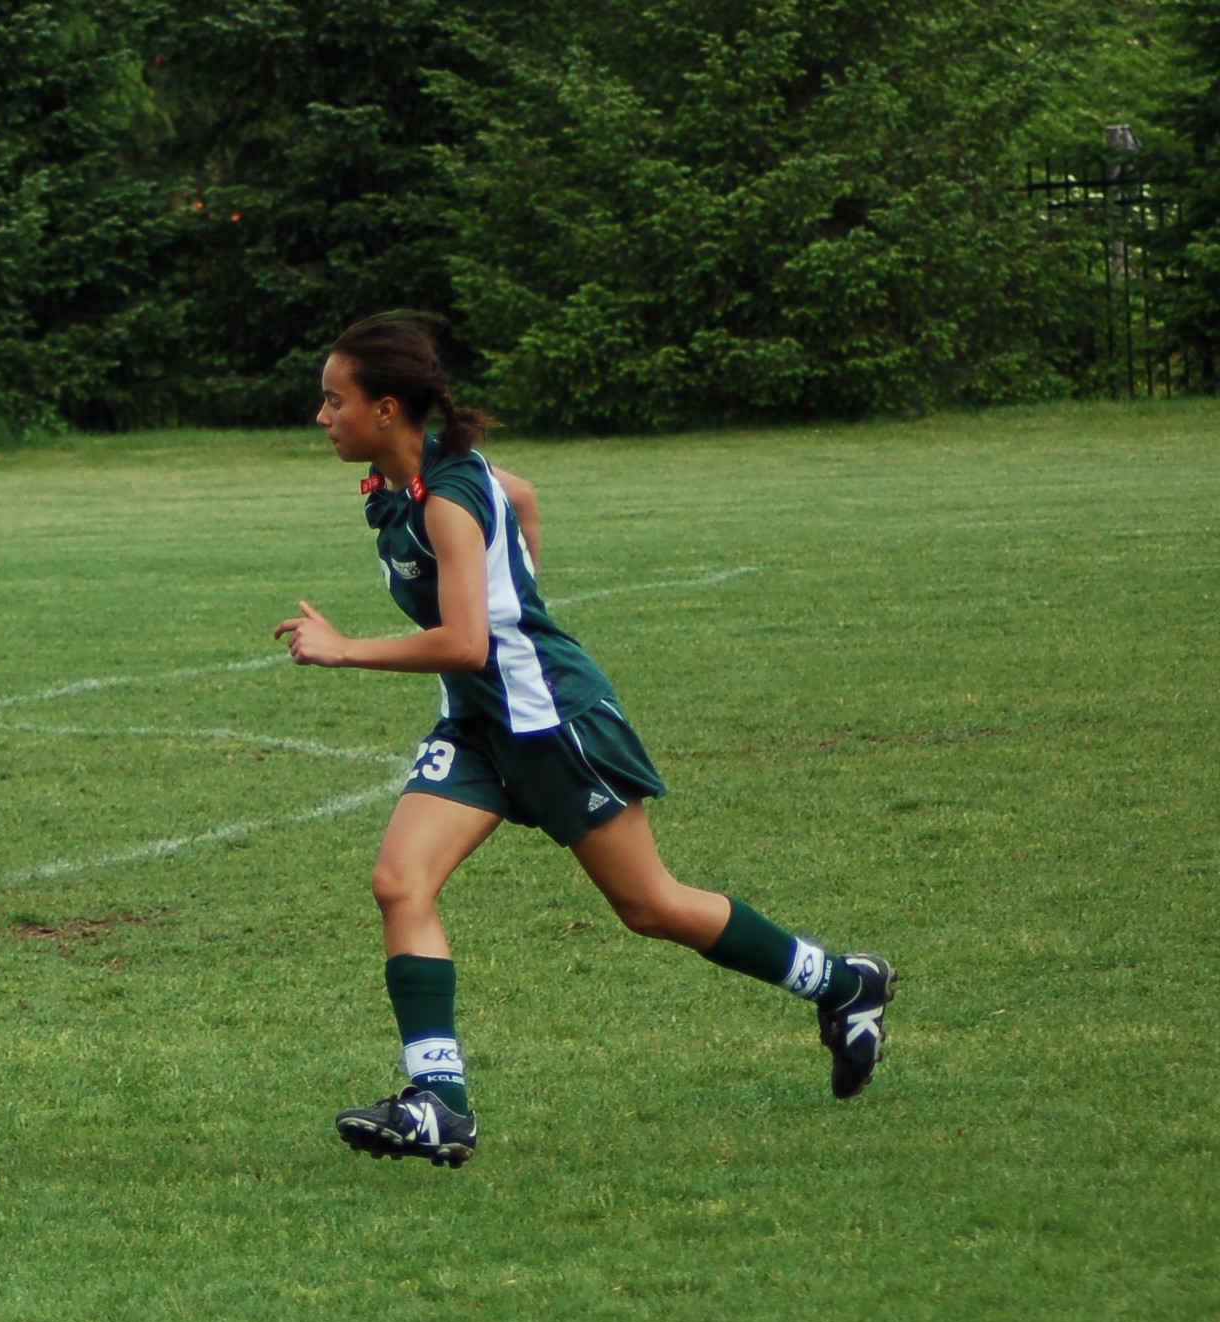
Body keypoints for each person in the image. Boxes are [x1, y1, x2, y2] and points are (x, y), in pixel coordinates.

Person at [274, 316, 894, 1167]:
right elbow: (523, 497)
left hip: (551, 720)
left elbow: (468, 643)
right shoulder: (407, 481)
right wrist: (516, 580)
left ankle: (845, 983)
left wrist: (348, 648)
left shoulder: (448, 500)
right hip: (480, 725)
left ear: (386, 409)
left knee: (651, 906)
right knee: (399, 881)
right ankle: (439, 1104)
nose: (322, 416)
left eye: (334, 400)